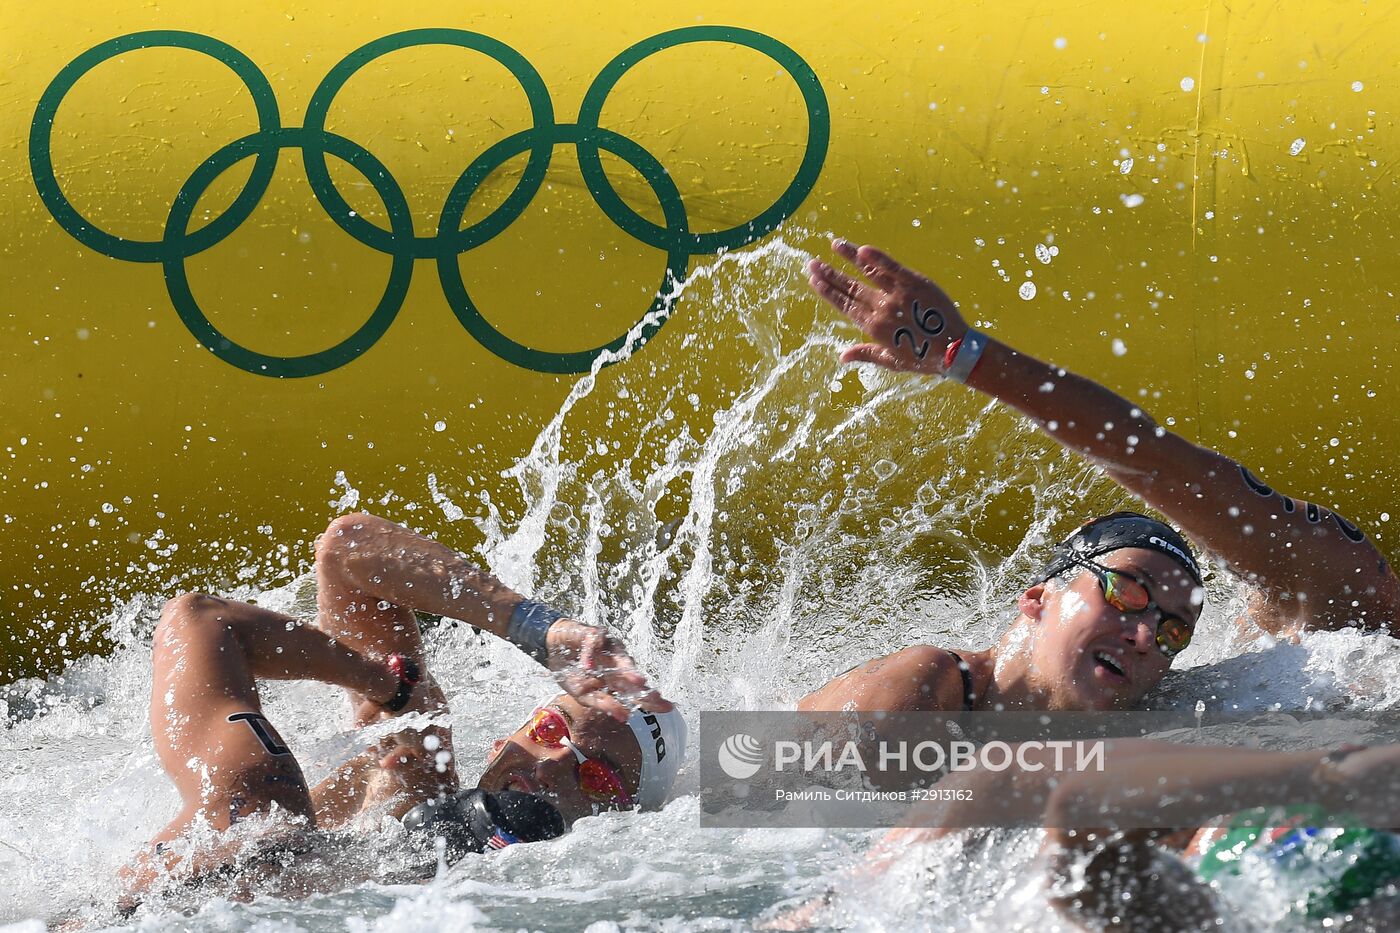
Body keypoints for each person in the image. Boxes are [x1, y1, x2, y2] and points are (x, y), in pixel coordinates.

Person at [800, 238, 1400, 716]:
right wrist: (966, 356)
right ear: (1036, 597)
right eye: (1128, 593)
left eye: (1173, 633)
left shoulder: (1175, 707)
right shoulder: (915, 696)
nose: (1146, 637)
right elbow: (1158, 464)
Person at [117, 511, 686, 911]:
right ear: (506, 738)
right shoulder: (414, 757)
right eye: (551, 728)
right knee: (265, 807)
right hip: (182, 885)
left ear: (626, 819)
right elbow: (346, 550)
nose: (550, 763)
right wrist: (539, 630)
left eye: (596, 774)